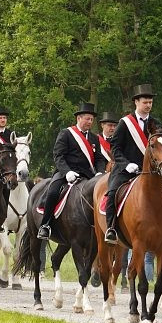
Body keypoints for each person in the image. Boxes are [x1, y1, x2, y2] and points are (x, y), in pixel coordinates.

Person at [104, 84, 162, 244]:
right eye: (145, 102)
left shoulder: (156, 124)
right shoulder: (125, 123)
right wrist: (126, 164)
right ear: (136, 102)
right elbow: (116, 147)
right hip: (126, 169)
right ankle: (111, 228)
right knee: (112, 193)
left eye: (150, 102)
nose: (148, 105)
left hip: (150, 172)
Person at [36, 103, 105, 240]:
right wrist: (67, 172)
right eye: (87, 119)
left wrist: (100, 172)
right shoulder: (66, 133)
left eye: (91, 119)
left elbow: (99, 158)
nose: (90, 122)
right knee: (53, 191)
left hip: (88, 176)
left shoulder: (94, 138)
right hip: (65, 173)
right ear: (79, 118)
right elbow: (58, 155)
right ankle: (46, 225)